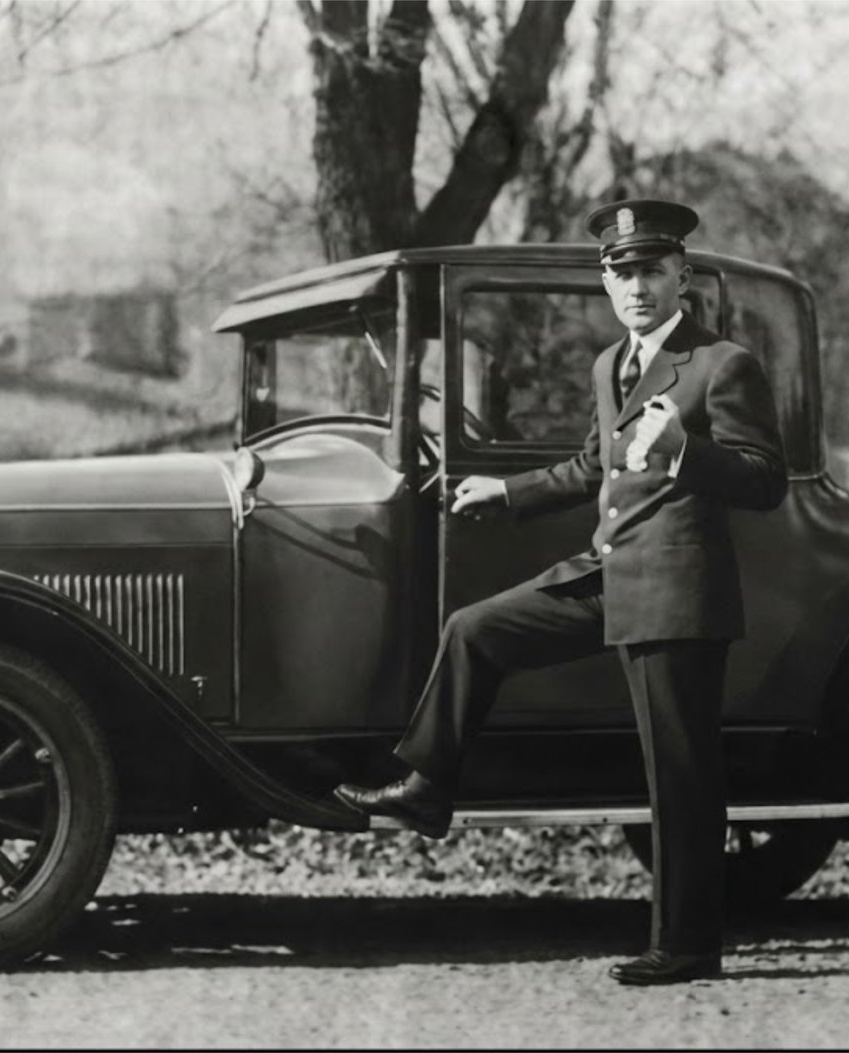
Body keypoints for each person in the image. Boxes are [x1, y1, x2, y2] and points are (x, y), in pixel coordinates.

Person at [333, 198, 788, 986]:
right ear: (605, 282)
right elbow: (590, 465)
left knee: (679, 774)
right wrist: (507, 493)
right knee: (476, 628)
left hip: (676, 591)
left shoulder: (722, 365)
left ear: (682, 276)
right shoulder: (611, 365)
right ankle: (427, 790)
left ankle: (688, 945)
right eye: (622, 273)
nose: (637, 287)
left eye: (652, 270)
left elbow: (766, 480)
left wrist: (687, 451)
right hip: (608, 571)